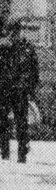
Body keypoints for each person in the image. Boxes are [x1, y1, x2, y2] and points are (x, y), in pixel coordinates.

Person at [0, 20, 40, 164]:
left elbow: (34, 71)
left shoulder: (26, 49)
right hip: (4, 90)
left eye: (14, 31)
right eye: (9, 31)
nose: (11, 35)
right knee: (3, 121)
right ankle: (4, 152)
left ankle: (22, 152)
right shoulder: (3, 49)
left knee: (21, 122)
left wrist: (29, 89)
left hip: (19, 91)